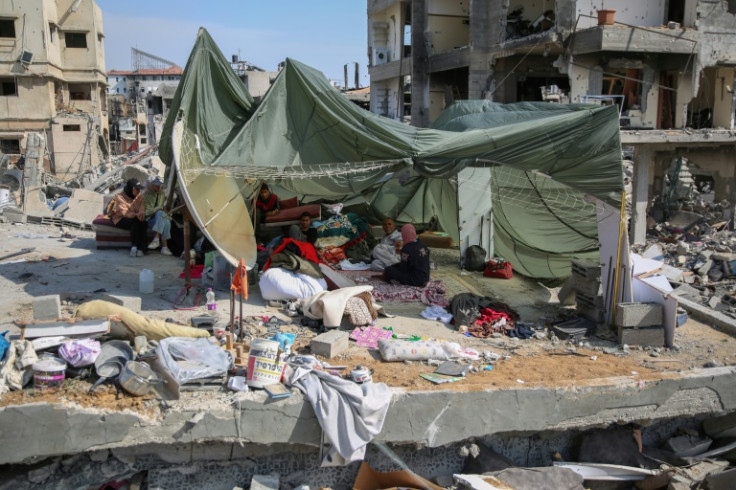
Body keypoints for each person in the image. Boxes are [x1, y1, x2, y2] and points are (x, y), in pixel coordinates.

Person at [107, 178, 147, 257]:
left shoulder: (139, 196)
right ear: (131, 189)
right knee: (135, 223)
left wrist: (141, 213)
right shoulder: (120, 197)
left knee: (143, 222)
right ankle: (134, 247)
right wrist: (136, 215)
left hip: (135, 216)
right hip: (120, 218)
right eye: (137, 189)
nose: (139, 191)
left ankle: (141, 249)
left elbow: (142, 207)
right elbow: (124, 212)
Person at [143, 176, 173, 256]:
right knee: (161, 215)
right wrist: (157, 209)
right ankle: (164, 247)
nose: (158, 187)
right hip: (150, 219)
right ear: (152, 186)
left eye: (160, 186)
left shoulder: (162, 193)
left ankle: (157, 240)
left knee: (165, 220)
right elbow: (146, 212)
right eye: (156, 186)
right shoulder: (145, 195)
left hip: (161, 218)